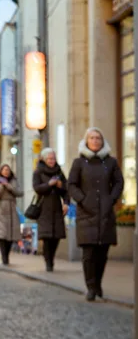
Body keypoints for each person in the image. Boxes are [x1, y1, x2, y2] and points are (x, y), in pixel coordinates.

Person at [68, 127, 124, 301]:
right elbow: (72, 185)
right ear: (86, 141)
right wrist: (82, 200)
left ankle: (98, 283)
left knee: (102, 254)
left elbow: (118, 183)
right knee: (89, 254)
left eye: (98, 138)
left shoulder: (111, 162)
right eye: (92, 138)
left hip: (105, 214)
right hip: (86, 213)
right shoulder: (79, 163)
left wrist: (112, 199)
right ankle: (91, 287)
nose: (95, 141)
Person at [33, 148, 70, 272]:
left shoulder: (59, 172)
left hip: (57, 208)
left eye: (53, 158)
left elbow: (66, 189)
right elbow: (37, 188)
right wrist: (49, 184)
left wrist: (66, 203)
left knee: (56, 237)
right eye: (49, 159)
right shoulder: (38, 172)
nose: (52, 161)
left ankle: (51, 257)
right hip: (44, 208)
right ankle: (48, 261)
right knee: (47, 237)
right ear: (44, 159)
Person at [0, 164, 23, 265]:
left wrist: (8, 186)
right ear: (0, 171)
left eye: (8, 170)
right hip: (1, 210)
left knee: (10, 236)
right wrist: (1, 186)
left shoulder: (14, 181)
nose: (6, 172)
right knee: (2, 235)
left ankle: (7, 255)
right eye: (4, 170)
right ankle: (4, 257)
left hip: (12, 209)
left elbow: (20, 193)